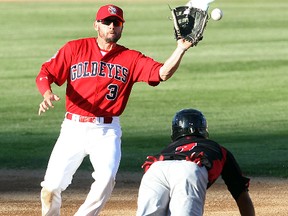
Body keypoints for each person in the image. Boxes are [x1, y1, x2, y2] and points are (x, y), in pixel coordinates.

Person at [36, 4, 194, 216]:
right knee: (51, 187)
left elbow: (162, 73)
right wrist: (46, 93)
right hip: (73, 128)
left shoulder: (130, 58)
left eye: (117, 23)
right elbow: (45, 73)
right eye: (107, 22)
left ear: (121, 28)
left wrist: (180, 49)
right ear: (96, 25)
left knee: (106, 179)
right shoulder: (75, 48)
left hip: (106, 132)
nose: (112, 26)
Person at [136, 108, 255, 216]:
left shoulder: (170, 148)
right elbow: (240, 192)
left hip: (156, 169)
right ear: (203, 130)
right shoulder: (217, 148)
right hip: (188, 170)